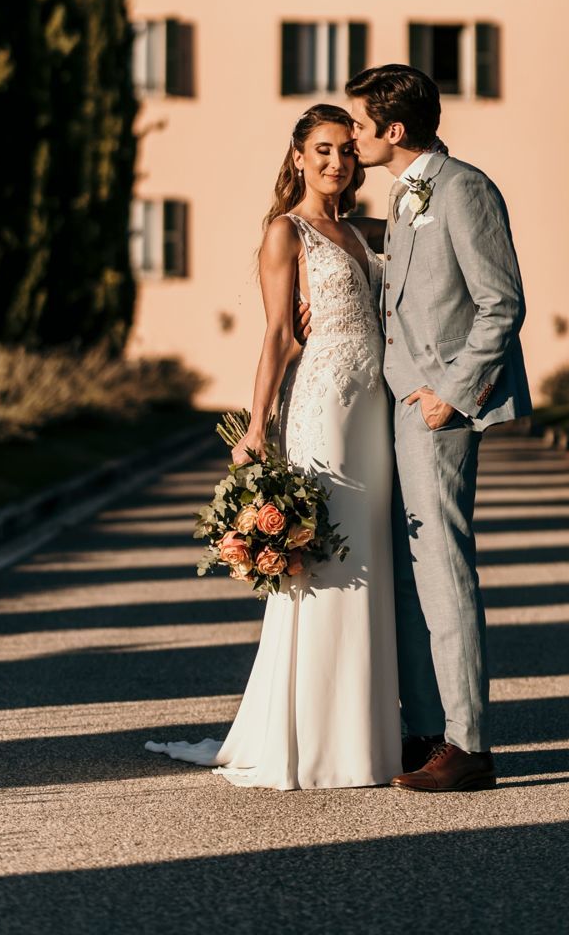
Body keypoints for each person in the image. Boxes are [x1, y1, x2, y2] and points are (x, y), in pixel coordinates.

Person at [145, 104, 400, 789]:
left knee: (367, 553)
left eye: (347, 150)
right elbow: (278, 337)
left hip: (373, 408)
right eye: (321, 149)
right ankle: (312, 739)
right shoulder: (284, 234)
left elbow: (424, 233)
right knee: (325, 559)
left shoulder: (364, 230)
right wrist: (256, 427)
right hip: (323, 406)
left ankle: (368, 733)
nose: (336, 161)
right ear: (296, 156)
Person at [341, 62, 532, 792]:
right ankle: (425, 729)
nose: (353, 136)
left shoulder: (465, 188)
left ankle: (468, 743)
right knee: (409, 573)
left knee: (443, 572)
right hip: (394, 405)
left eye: (359, 125)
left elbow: (500, 304)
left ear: (392, 129)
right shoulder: (406, 194)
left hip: (437, 409)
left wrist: (450, 395)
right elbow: (414, 282)